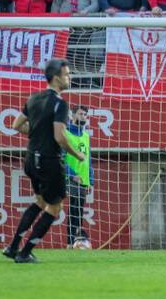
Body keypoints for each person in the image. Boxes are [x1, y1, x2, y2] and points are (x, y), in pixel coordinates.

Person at [4, 59, 86, 264]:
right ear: (57, 78)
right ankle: (25, 253)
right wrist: (78, 155)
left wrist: (38, 133)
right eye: (67, 75)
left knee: (39, 201)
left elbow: (16, 125)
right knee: (54, 207)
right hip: (49, 160)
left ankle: (13, 247)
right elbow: (60, 136)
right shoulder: (59, 103)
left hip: (31, 158)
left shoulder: (34, 98)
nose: (69, 78)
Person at [63, 104, 94, 249]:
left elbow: (89, 159)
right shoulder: (66, 133)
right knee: (74, 209)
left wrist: (91, 180)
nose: (83, 117)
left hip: (83, 179)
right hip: (71, 178)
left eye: (85, 115)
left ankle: (75, 242)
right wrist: (71, 174)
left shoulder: (86, 136)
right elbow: (61, 157)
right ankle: (71, 242)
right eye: (80, 114)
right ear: (73, 115)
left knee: (79, 211)